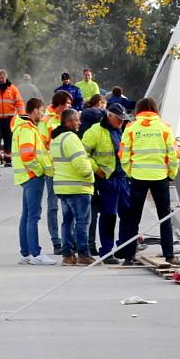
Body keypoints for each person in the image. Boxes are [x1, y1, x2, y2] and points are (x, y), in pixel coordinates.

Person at [118, 97, 180, 265]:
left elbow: (123, 154)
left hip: (138, 177)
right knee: (164, 217)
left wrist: (130, 172)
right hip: (160, 177)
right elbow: (174, 154)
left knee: (133, 218)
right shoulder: (164, 128)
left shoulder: (131, 128)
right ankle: (169, 255)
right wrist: (171, 173)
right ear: (155, 110)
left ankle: (129, 257)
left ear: (138, 110)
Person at [82, 103, 132, 265]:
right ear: (109, 116)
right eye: (119, 119)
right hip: (107, 180)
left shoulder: (121, 130)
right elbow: (84, 154)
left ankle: (123, 248)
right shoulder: (94, 132)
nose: (121, 122)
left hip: (122, 178)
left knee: (127, 214)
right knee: (109, 216)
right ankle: (107, 251)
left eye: (123, 120)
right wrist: (97, 169)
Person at [12, 98, 56, 265]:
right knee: (33, 216)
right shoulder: (27, 129)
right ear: (35, 110)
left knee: (27, 215)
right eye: (42, 111)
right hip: (32, 176)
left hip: (27, 175)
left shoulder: (23, 127)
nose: (43, 114)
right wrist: (38, 171)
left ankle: (26, 253)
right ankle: (36, 253)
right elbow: (28, 155)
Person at [50, 108, 95, 266]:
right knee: (82, 222)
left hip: (62, 188)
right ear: (69, 122)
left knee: (67, 222)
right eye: (77, 120)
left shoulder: (56, 139)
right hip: (78, 187)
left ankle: (68, 255)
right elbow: (80, 163)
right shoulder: (71, 138)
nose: (79, 123)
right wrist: (90, 176)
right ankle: (83, 254)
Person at [38, 90, 73, 255]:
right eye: (67, 103)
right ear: (59, 103)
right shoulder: (46, 121)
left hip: (68, 169)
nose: (69, 106)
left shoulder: (69, 118)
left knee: (69, 206)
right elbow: (43, 147)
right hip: (53, 169)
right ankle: (56, 242)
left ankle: (69, 240)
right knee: (53, 207)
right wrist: (48, 167)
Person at [79, 93, 107, 255]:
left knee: (87, 211)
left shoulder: (84, 118)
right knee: (99, 210)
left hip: (87, 171)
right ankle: (92, 245)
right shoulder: (97, 121)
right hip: (99, 172)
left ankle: (87, 244)